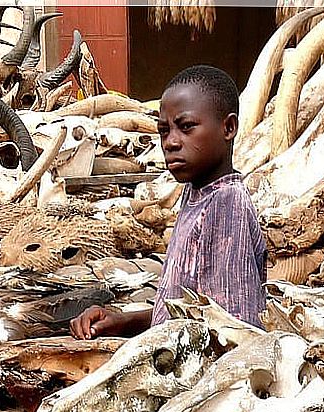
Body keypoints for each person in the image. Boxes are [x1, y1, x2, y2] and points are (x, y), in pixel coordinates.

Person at [70, 65, 266, 339]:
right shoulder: (199, 192)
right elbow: (187, 310)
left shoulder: (226, 205)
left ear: (228, 127)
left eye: (186, 128)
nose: (171, 142)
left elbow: (229, 332)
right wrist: (121, 322)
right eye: (164, 131)